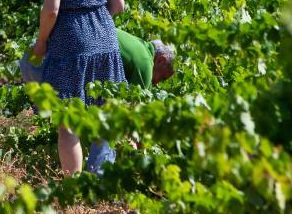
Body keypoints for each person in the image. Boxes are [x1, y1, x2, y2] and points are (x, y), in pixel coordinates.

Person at [28, 0, 126, 176]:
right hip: (106, 41)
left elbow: (51, 10)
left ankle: (74, 185)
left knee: (67, 122)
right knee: (103, 115)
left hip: (70, 45)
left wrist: (42, 42)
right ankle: (100, 180)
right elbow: (118, 5)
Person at [17, 30, 176, 172]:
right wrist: (142, 157)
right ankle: (96, 178)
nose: (157, 84)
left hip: (34, 59)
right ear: (160, 60)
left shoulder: (135, 44)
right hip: (62, 66)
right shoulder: (145, 65)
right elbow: (135, 116)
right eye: (162, 77)